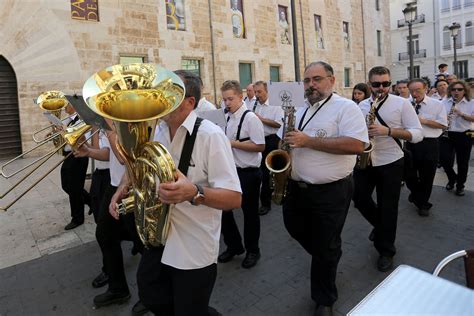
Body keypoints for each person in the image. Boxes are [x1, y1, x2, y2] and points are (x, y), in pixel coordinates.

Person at [109, 70, 242, 316]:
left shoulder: (211, 136)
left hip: (193, 246)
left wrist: (194, 192)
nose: (157, 100)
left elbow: (234, 198)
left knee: (189, 309)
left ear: (189, 102)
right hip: (160, 238)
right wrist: (122, 188)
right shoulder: (157, 130)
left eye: (167, 94)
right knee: (151, 294)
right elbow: (141, 164)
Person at [280, 61, 368, 316]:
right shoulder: (299, 108)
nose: (311, 85)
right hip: (297, 188)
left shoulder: (346, 107)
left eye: (317, 79)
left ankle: (324, 299)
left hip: (331, 191)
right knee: (294, 229)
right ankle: (327, 252)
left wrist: (308, 141)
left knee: (325, 245)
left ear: (331, 80)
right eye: (307, 81)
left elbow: (357, 145)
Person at [353, 66, 423, 273]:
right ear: (369, 85)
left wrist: (388, 130)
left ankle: (386, 251)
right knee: (359, 198)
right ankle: (381, 227)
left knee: (388, 207)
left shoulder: (402, 104)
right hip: (366, 160)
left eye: (385, 84)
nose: (381, 88)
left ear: (390, 84)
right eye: (376, 84)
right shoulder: (360, 106)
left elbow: (417, 134)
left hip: (391, 161)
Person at [218, 79, 265, 269]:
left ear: (240, 96)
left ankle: (253, 250)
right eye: (224, 100)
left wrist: (233, 143)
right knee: (223, 211)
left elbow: (260, 145)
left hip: (248, 173)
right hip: (229, 171)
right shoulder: (225, 116)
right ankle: (234, 246)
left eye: (230, 99)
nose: (227, 103)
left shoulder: (251, 118)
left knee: (250, 214)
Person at [405, 79, 447, 216]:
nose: (414, 93)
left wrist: (424, 121)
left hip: (429, 143)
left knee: (427, 176)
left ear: (426, 89)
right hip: (411, 143)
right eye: (412, 91)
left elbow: (443, 125)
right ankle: (417, 194)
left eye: (418, 90)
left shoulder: (437, 105)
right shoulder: (405, 104)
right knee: (409, 174)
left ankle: (423, 204)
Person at [251, 80, 284, 215]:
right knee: (258, 171)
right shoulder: (254, 105)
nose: (257, 95)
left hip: (271, 140)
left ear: (267, 91)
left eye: (260, 92)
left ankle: (266, 203)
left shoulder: (275, 105)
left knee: (266, 172)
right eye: (256, 92)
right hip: (257, 140)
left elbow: (278, 124)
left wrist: (260, 119)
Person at [439, 80, 474, 196]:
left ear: (465, 91)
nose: (456, 92)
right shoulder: (444, 102)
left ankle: (460, 185)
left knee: (462, 162)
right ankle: (453, 178)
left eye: (459, 89)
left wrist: (461, 114)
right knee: (443, 159)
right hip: (447, 134)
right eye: (453, 89)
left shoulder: (471, 102)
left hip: (464, 135)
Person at [61, 103, 91, 230]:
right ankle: (90, 200)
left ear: (74, 106)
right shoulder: (67, 120)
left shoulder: (83, 120)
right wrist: (58, 133)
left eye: (67, 105)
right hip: (69, 154)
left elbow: (85, 142)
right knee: (66, 185)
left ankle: (77, 218)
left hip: (79, 155)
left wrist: (66, 132)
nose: (64, 107)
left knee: (74, 187)